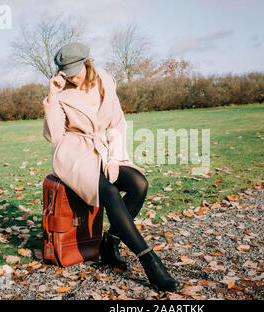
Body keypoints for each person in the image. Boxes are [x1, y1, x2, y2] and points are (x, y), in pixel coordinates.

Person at [42, 42, 181, 292]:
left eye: (75, 70)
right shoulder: (60, 94)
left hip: (103, 150)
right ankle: (150, 262)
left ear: (87, 63)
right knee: (110, 193)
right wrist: (52, 96)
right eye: (66, 73)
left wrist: (115, 158)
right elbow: (53, 135)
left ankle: (110, 241)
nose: (71, 77)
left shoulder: (105, 81)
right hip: (73, 154)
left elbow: (117, 123)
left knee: (139, 184)